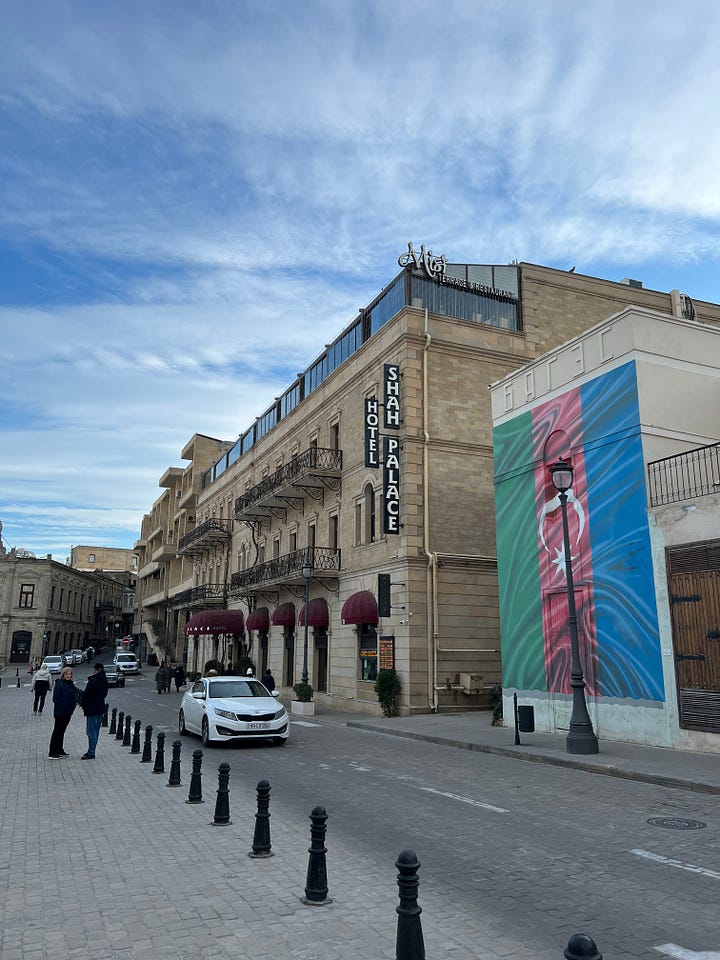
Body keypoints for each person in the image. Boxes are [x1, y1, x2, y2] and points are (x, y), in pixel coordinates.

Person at [79, 663, 109, 759]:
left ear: (96, 669)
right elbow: (104, 694)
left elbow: (87, 694)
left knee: (91, 732)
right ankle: (92, 750)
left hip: (92, 709)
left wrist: (82, 703)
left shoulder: (93, 681)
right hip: (100, 708)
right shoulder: (104, 680)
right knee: (96, 731)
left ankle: (91, 752)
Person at [48, 666, 79, 759]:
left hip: (68, 712)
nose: (68, 676)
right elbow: (56, 699)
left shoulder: (70, 684)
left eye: (70, 674)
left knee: (62, 731)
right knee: (57, 731)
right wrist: (63, 707)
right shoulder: (59, 684)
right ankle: (53, 752)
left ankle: (60, 750)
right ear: (63, 675)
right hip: (61, 712)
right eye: (66, 674)